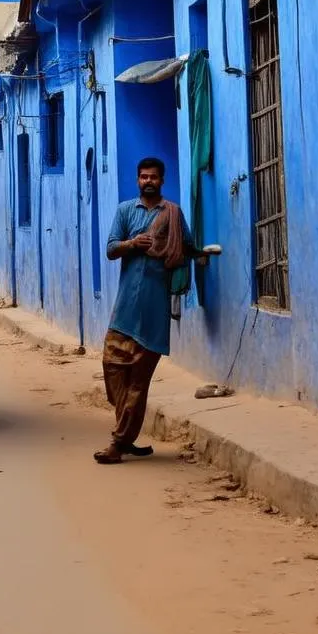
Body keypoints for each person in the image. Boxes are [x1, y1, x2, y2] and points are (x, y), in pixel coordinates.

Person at [94, 157, 203, 465]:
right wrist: (133, 243)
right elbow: (111, 249)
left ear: (162, 180)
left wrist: (202, 255)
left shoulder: (173, 213)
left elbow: (187, 247)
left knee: (138, 383)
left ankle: (118, 443)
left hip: (154, 311)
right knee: (112, 368)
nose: (148, 181)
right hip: (125, 309)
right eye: (143, 177)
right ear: (137, 180)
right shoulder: (126, 211)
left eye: (153, 177)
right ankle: (126, 433)